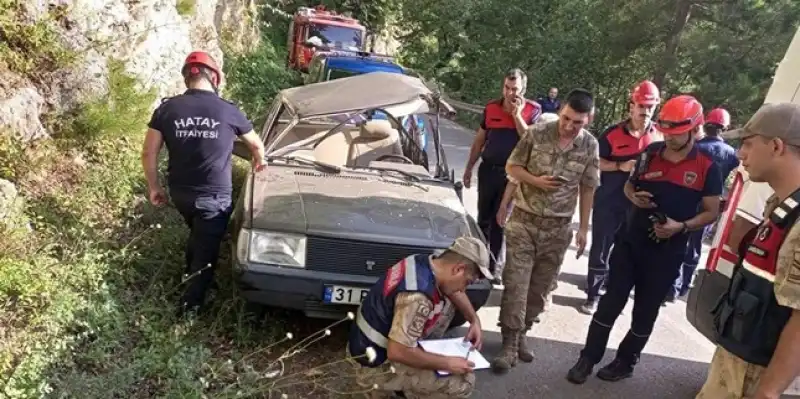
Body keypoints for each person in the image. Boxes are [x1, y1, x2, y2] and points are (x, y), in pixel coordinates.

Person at [566, 94, 723, 384]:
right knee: (610, 303)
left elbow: (712, 212)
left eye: (676, 133)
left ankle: (625, 362)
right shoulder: (650, 153)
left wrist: (681, 226)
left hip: (667, 252)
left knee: (645, 312)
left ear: (693, 129)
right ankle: (587, 357)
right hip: (630, 242)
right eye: (666, 132)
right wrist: (634, 197)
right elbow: (629, 186)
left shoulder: (707, 167)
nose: (669, 138)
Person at [141, 51, 266, 315]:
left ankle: (188, 271)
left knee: (199, 234)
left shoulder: (167, 109)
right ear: (214, 78)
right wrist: (260, 161)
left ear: (187, 77)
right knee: (207, 252)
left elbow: (149, 152)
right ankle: (190, 307)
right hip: (215, 197)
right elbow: (256, 145)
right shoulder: (229, 110)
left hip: (180, 193)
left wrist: (154, 186)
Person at [696, 103, 800, 399]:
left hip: (757, 376)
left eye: (748, 144)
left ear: (776, 146)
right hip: (739, 362)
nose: (740, 154)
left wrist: (768, 392)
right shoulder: (781, 205)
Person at [491, 89, 600, 373]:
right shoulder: (537, 133)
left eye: (577, 122)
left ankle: (523, 333)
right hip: (524, 221)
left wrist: (584, 229)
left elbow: (588, 187)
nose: (569, 126)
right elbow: (512, 166)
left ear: (588, 119)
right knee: (517, 283)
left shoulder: (590, 145)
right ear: (561, 110)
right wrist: (535, 181)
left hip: (558, 228)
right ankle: (509, 343)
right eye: (566, 118)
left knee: (540, 289)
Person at [347, 236, 492, 399]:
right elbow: (398, 352)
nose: (463, 289)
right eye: (467, 282)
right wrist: (447, 363)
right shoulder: (417, 298)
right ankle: (382, 389)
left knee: (447, 301)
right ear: (458, 269)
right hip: (374, 364)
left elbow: (452, 290)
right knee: (462, 382)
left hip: (367, 342)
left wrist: (474, 320)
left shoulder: (424, 262)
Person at [580, 80, 661, 315]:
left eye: (650, 107)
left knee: (626, 252)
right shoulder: (612, 134)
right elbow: (594, 162)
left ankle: (612, 295)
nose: (645, 111)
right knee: (601, 248)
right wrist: (619, 166)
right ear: (631, 106)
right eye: (641, 106)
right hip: (609, 202)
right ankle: (593, 295)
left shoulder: (659, 136)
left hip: (637, 207)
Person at [462, 69, 542, 280]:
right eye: (507, 87)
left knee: (501, 220)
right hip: (488, 170)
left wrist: (517, 115)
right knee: (483, 219)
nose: (509, 93)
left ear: (523, 89)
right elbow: (479, 141)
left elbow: (530, 141)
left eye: (514, 89)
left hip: (513, 176)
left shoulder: (533, 110)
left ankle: (494, 267)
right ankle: (479, 263)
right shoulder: (491, 108)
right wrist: (469, 168)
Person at [669, 107, 740, 301]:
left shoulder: (696, 148)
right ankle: (684, 287)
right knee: (695, 246)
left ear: (706, 125)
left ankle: (672, 287)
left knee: (679, 242)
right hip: (710, 206)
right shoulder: (731, 154)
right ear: (724, 128)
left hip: (688, 201)